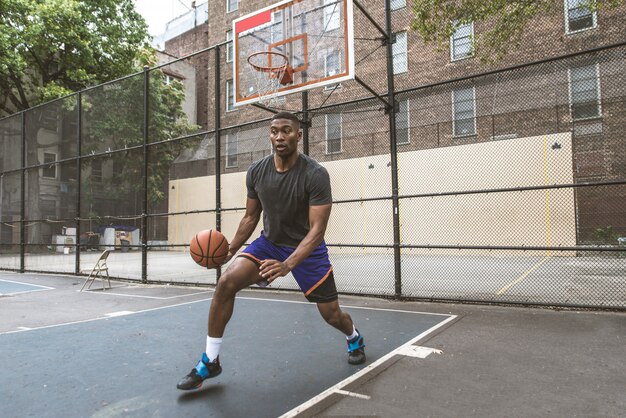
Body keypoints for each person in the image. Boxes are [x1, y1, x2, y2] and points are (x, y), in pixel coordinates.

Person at [177, 111, 366, 391]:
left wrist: (287, 265)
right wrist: (229, 251)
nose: (279, 136)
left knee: (332, 315)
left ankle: (354, 338)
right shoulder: (257, 171)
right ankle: (210, 361)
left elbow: (317, 231)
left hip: (307, 250)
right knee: (226, 283)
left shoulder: (315, 175)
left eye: (286, 131)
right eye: (274, 131)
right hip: (269, 244)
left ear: (298, 135)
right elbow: (250, 218)